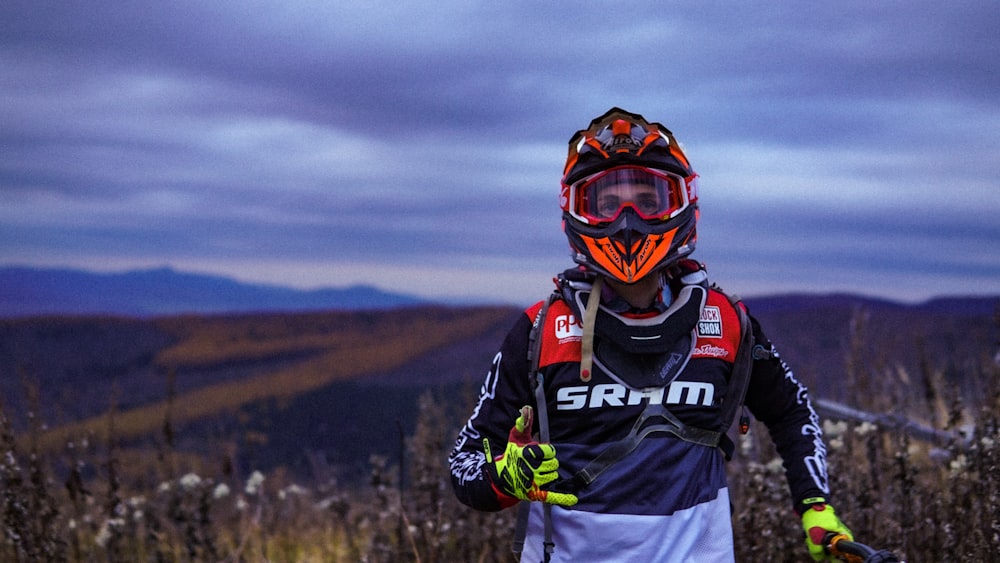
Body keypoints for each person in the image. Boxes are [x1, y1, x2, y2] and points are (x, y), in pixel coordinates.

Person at [448, 107, 853, 562]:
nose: (627, 219)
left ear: (680, 202)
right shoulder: (539, 332)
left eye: (648, 199)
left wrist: (816, 508)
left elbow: (790, 411)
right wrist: (505, 479)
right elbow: (464, 465)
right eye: (605, 203)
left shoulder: (725, 322)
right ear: (577, 210)